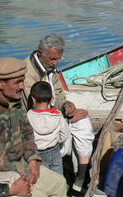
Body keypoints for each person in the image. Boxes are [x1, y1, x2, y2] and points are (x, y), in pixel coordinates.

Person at [0, 57, 67, 197]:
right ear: (0, 83)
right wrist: (25, 171)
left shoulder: (14, 100)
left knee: (59, 182)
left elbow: (27, 133)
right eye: (18, 82)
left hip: (21, 164)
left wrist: (33, 161)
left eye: (23, 80)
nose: (23, 86)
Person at [23, 33, 96, 193]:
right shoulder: (29, 75)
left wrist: (67, 105)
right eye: (52, 59)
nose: (55, 63)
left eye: (58, 59)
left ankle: (81, 178)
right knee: (80, 127)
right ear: (40, 53)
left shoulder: (49, 68)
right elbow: (36, 110)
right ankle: (79, 177)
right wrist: (64, 119)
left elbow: (59, 94)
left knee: (83, 121)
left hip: (54, 116)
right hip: (39, 126)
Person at [27, 81, 70, 176]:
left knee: (42, 179)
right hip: (54, 150)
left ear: (33, 99)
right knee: (58, 178)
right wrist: (56, 140)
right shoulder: (58, 114)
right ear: (52, 99)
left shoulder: (29, 116)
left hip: (37, 154)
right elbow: (65, 134)